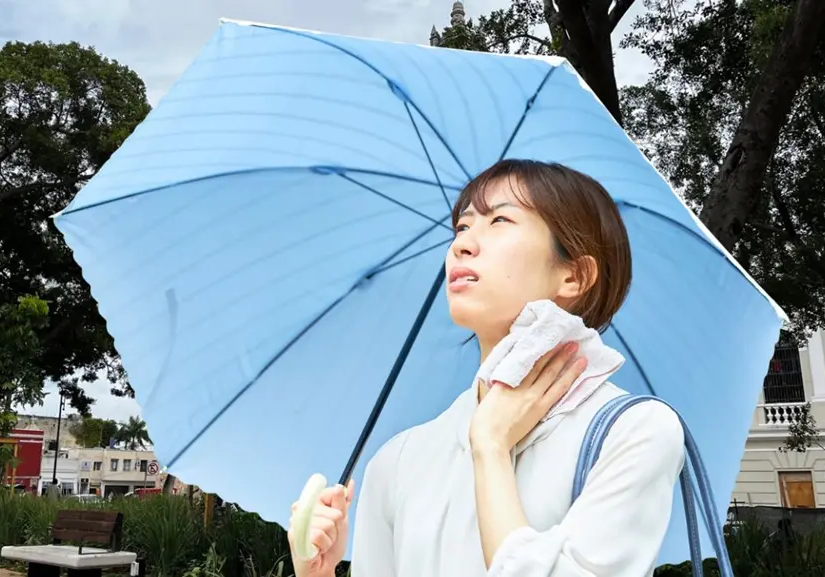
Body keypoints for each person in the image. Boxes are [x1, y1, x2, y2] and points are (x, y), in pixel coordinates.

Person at [286, 159, 685, 577]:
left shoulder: (634, 431)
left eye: (499, 221)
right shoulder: (397, 460)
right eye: (462, 227)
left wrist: (491, 447)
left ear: (575, 276)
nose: (462, 244)